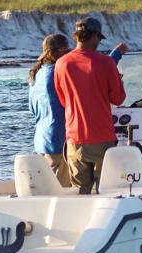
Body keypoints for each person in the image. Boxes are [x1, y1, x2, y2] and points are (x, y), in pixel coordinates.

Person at [54, 17, 127, 194]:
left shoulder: (61, 63)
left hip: (75, 138)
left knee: (80, 193)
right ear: (94, 36)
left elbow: (63, 99)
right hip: (102, 136)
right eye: (99, 38)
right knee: (107, 192)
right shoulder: (106, 63)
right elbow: (118, 99)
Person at [28, 33, 71, 186]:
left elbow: (32, 109)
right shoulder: (57, 73)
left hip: (41, 139)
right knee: (61, 190)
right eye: (66, 51)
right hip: (58, 140)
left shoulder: (37, 74)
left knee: (47, 187)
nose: (69, 55)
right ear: (55, 53)